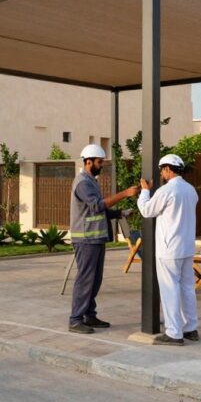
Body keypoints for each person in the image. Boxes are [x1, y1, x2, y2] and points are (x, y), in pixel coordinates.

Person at [68, 143, 139, 334]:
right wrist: (125, 194)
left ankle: (89, 316)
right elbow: (96, 206)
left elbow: (101, 210)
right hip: (85, 240)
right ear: (88, 161)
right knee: (85, 280)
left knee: (95, 280)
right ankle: (75, 320)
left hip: (96, 238)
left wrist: (120, 214)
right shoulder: (82, 182)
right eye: (99, 162)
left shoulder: (92, 181)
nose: (102, 165)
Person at [138, 154, 199, 345]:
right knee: (188, 288)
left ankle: (174, 333)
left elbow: (147, 210)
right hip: (187, 248)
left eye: (161, 170)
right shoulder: (191, 190)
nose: (161, 174)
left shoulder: (166, 191)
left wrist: (144, 191)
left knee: (169, 289)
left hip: (169, 249)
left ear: (167, 169)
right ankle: (190, 328)